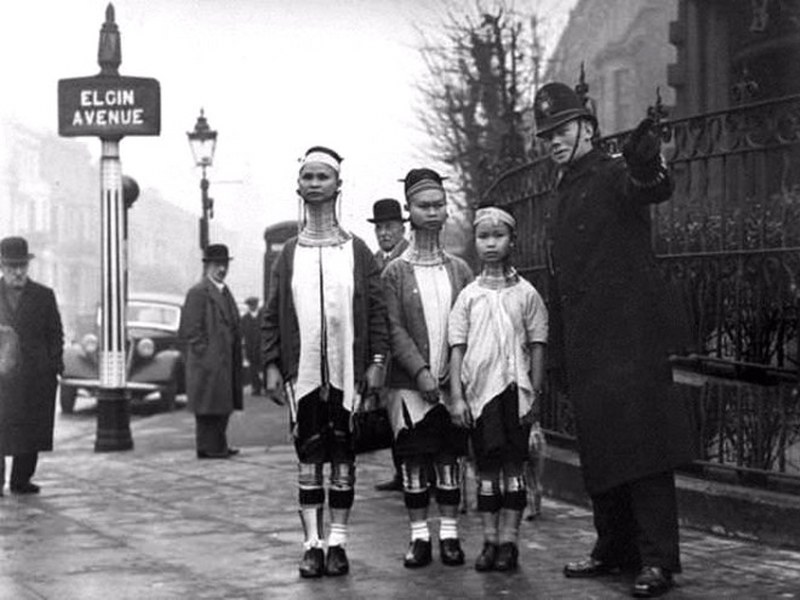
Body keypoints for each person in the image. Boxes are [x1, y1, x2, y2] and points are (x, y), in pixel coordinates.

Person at [533, 82, 695, 598]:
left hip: (632, 338)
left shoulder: (613, 172)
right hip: (586, 344)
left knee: (644, 450)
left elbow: (648, 186)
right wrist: (559, 352)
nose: (553, 142)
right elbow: (560, 282)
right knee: (601, 448)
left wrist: (649, 163)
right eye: (545, 135)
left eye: (561, 130)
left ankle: (657, 560)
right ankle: (614, 549)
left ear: (587, 127)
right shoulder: (561, 191)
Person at [261, 146, 388, 579]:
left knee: (344, 458)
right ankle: (311, 545)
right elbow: (271, 313)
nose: (315, 183)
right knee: (310, 457)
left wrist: (376, 362)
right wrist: (273, 364)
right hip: (306, 374)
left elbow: (377, 311)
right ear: (299, 185)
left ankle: (338, 544)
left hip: (348, 374)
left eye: (323, 177)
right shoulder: (289, 253)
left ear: (338, 185)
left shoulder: (357, 251)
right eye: (308, 177)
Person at [382, 167, 474, 569]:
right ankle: (420, 537)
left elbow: (466, 325)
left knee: (449, 457)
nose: (433, 213)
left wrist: (452, 381)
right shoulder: (395, 272)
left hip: (451, 383)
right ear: (409, 211)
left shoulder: (459, 269)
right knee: (415, 460)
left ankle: (450, 536)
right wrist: (420, 373)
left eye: (439, 205)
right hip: (409, 386)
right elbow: (394, 328)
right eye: (424, 206)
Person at [448, 207, 548, 573]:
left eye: (498, 236)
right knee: (486, 468)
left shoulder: (527, 294)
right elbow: (457, 348)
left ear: (512, 240)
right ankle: (489, 541)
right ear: (475, 243)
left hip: (515, 393)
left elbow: (537, 345)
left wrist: (534, 394)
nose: (491, 243)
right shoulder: (468, 296)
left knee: (514, 467)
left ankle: (510, 542)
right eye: (483, 237)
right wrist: (458, 397)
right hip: (481, 395)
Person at [0, 236, 64, 495]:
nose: (18, 272)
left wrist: (53, 366)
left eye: (22, 266)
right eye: (12, 266)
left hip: (34, 378)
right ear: (2, 267)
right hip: (2, 379)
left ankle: (21, 480)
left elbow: (55, 333)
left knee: (30, 429)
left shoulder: (43, 296)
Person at [179, 243, 243, 460]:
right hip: (208, 362)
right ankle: (208, 448)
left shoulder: (223, 291)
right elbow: (190, 330)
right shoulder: (198, 292)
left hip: (224, 361)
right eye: (217, 265)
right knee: (208, 407)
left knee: (221, 406)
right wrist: (205, 355)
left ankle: (218, 445)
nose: (222, 269)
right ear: (207, 266)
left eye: (224, 264)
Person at [368, 197, 409, 492]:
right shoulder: (373, 261)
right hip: (384, 350)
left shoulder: (410, 256)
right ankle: (400, 472)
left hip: (406, 346)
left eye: (390, 227)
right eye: (379, 227)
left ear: (401, 228)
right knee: (390, 413)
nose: (384, 233)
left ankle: (417, 473)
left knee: (412, 413)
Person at [240, 296, 263, 396]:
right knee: (253, 369)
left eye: (254, 304)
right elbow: (241, 334)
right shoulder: (244, 319)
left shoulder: (264, 317)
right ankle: (256, 388)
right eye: (250, 305)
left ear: (257, 305)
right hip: (251, 347)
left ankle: (266, 386)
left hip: (262, 347)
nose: (252, 306)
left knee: (264, 367)